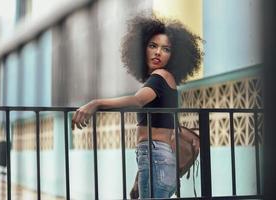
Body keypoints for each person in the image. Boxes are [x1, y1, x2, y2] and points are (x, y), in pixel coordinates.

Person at [71, 15, 203, 199]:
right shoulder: (162, 79)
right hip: (156, 157)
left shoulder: (161, 75)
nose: (158, 52)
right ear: (142, 49)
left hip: (157, 157)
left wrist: (96, 103)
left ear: (173, 56)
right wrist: (137, 180)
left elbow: (137, 101)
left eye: (166, 49)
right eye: (153, 46)